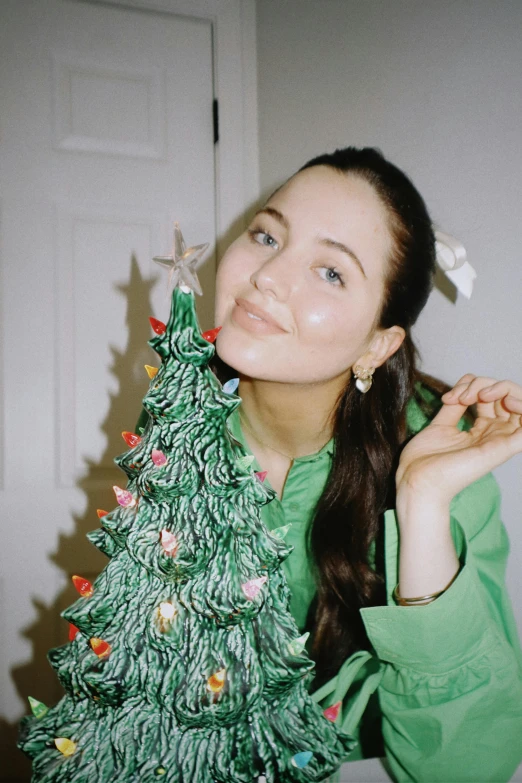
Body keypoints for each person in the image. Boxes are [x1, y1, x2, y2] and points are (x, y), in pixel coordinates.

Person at [209, 147, 522, 782]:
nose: (267, 275)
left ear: (378, 344)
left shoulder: (441, 472)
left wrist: (424, 505)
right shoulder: (182, 427)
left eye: (330, 272)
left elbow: (465, 770)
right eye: (267, 234)